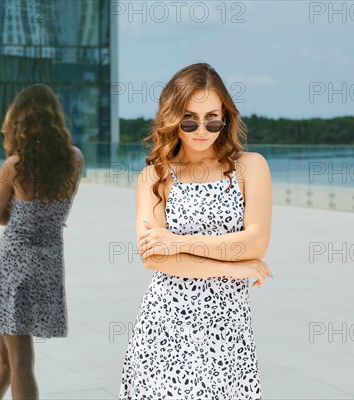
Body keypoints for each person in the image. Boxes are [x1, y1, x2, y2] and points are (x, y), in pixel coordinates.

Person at [119, 63, 273, 399]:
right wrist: (233, 267)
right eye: (189, 118)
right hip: (166, 327)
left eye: (212, 119)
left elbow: (255, 242)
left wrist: (179, 243)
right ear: (172, 118)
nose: (201, 129)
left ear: (225, 118)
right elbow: (155, 259)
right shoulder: (154, 177)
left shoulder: (251, 167)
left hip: (228, 330)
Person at [0, 84, 84, 399]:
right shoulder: (75, 159)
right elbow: (52, 212)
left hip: (15, 263)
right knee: (2, 350)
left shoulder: (14, 165)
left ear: (20, 120)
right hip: (48, 260)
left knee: (20, 360)